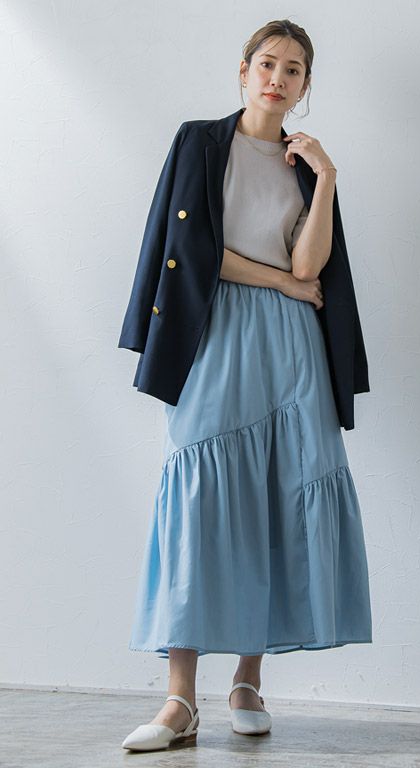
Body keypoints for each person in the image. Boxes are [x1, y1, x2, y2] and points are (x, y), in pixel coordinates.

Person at [119, 19, 372, 752]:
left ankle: (247, 682)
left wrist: (327, 178)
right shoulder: (200, 142)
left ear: (306, 85)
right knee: (199, 498)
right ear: (243, 70)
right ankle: (179, 700)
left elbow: (310, 266)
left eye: (294, 70)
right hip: (215, 330)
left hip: (291, 349)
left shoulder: (303, 164)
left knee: (272, 495)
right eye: (267, 63)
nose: (278, 78)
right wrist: (283, 284)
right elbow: (193, 249)